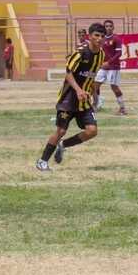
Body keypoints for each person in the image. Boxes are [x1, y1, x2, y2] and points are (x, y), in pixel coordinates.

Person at [35, 23, 106, 171]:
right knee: (60, 131)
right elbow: (68, 73)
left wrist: (93, 95)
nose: (99, 39)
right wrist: (78, 90)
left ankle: (63, 145)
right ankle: (42, 162)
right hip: (68, 99)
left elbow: (91, 77)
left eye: (102, 36)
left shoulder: (101, 55)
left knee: (92, 131)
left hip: (84, 101)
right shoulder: (80, 53)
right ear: (90, 36)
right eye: (96, 35)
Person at [93, 20, 125, 115]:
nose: (108, 28)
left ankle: (122, 108)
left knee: (114, 87)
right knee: (95, 85)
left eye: (110, 26)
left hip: (113, 67)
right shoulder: (101, 39)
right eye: (106, 26)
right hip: (103, 67)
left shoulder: (116, 39)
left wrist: (109, 62)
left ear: (113, 27)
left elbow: (119, 53)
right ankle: (96, 104)